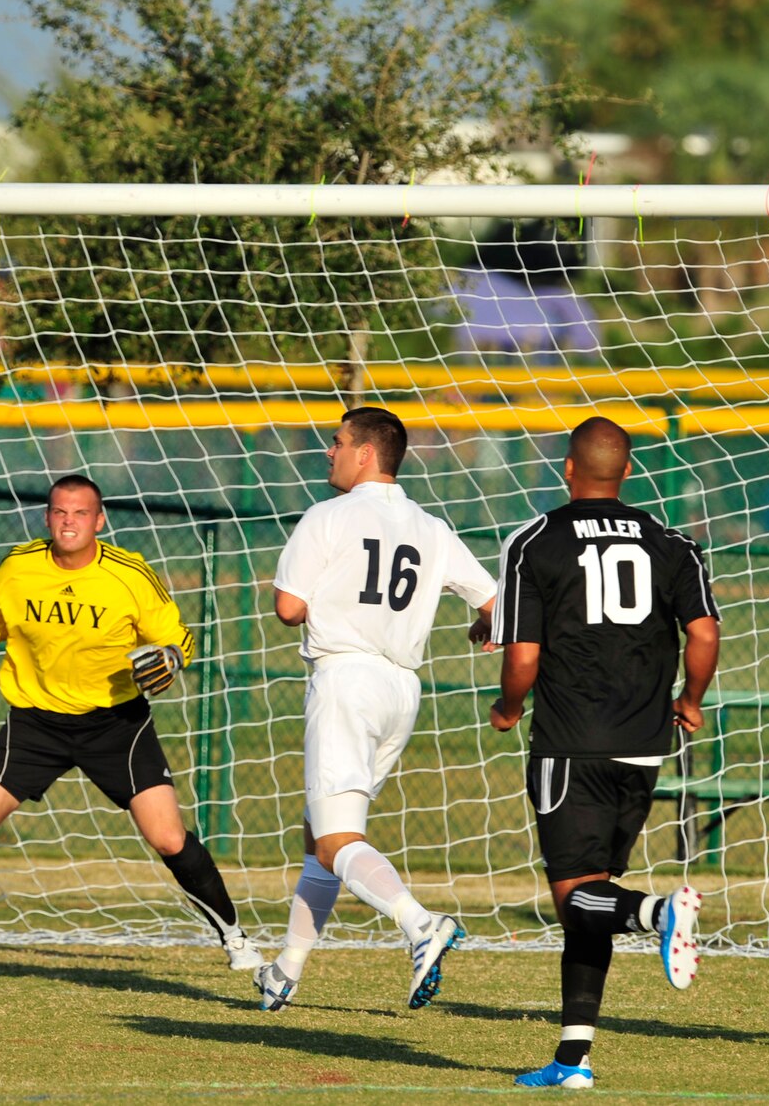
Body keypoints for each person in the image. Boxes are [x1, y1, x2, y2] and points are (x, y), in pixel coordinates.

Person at [0, 474, 260, 968]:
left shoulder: (129, 574)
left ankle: (237, 941)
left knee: (169, 838)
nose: (69, 522)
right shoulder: (19, 566)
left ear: (100, 520)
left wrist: (172, 656)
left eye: (81, 513)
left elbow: (179, 637)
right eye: (60, 512)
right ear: (47, 517)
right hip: (34, 724)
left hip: (115, 725)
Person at [489, 416, 719, 1090]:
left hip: (569, 741)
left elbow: (523, 656)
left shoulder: (534, 540)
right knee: (592, 893)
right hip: (644, 745)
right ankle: (572, 1058)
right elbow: (703, 633)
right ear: (627, 471)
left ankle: (658, 912)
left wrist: (507, 708)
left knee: (577, 897)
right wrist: (691, 697)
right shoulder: (672, 542)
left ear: (567, 467)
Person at [254, 406, 497, 1013]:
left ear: (366, 452)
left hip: (346, 679)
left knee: (338, 841)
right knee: (323, 839)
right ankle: (285, 971)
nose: (328, 452)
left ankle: (420, 925)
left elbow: (288, 607)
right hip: (402, 690)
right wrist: (481, 625)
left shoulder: (328, 515)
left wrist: (329, 600)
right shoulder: (431, 526)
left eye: (337, 443)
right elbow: (495, 600)